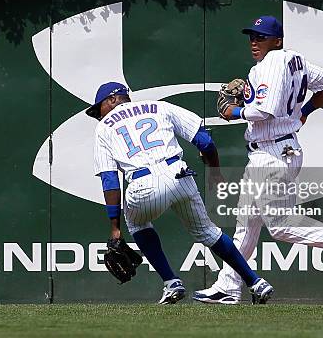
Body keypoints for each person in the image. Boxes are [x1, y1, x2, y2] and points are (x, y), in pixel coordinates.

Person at [193, 15, 323, 305]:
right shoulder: (295, 60)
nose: (254, 41)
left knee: (280, 225)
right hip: (272, 151)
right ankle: (228, 285)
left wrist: (233, 113)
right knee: (247, 224)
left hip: (273, 153)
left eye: (261, 37)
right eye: (252, 36)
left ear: (277, 40)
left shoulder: (271, 64)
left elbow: (265, 112)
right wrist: (305, 112)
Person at [87, 82, 274, 304]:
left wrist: (115, 227)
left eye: (99, 109)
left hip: (143, 184)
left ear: (112, 100)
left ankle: (171, 282)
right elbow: (204, 141)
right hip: (179, 174)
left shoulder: (103, 128)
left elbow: (110, 180)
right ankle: (256, 282)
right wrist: (214, 172)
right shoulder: (159, 107)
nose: (99, 115)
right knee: (208, 232)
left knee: (137, 224)